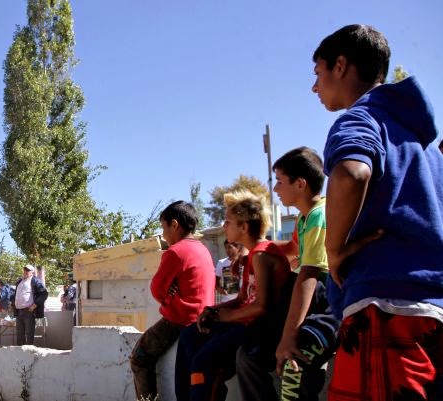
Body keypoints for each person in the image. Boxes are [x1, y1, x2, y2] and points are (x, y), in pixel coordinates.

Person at [311, 24, 443, 400]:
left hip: (385, 314)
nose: (315, 87)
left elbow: (351, 174)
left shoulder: (361, 119)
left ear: (340, 65)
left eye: (318, 73)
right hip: (431, 314)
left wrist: (333, 251)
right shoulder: (424, 147)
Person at [175, 191, 293, 401]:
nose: (223, 226)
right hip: (241, 323)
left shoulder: (262, 254)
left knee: (204, 361)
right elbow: (241, 299)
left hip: (257, 329)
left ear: (244, 227)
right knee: (189, 336)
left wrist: (224, 317)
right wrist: (213, 311)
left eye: (228, 221)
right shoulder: (251, 256)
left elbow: (261, 306)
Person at [237, 146, 332, 401]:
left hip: (323, 306)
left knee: (294, 368)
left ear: (300, 184)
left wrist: (289, 336)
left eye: (280, 182)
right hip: (305, 301)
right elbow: (291, 249)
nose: (276, 189)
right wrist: (254, 245)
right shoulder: (304, 218)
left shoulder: (318, 217)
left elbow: (310, 276)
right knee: (248, 355)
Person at [130, 201, 215, 400]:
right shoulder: (203, 250)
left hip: (180, 318)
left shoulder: (175, 252)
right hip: (204, 318)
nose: (164, 235)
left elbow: (157, 289)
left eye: (164, 228)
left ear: (174, 225)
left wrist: (170, 297)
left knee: (139, 359)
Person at [14, 264, 48, 346]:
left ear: (32, 272)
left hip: (28, 311)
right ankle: (19, 354)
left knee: (29, 334)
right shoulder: (20, 281)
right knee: (19, 334)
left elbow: (44, 293)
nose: (25, 271)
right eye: (25, 269)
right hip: (19, 311)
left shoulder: (35, 281)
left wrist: (35, 305)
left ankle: (28, 355)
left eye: (28, 270)